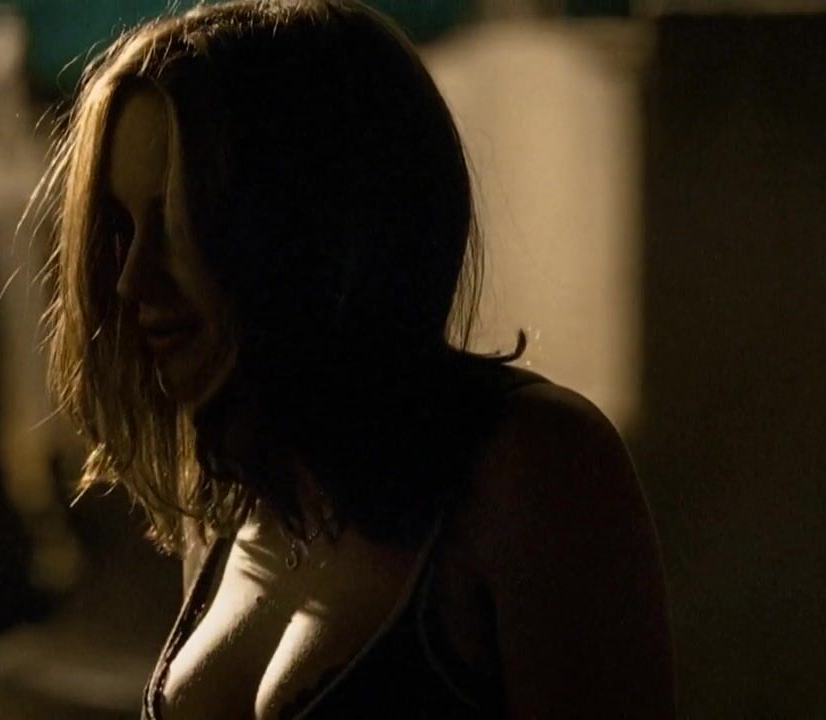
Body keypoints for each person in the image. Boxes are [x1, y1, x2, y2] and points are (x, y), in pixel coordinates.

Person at [37, 1, 674, 716]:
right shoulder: (237, 497)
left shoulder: (531, 467)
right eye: (122, 226)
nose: (132, 279)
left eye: (180, 220)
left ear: (306, 220)